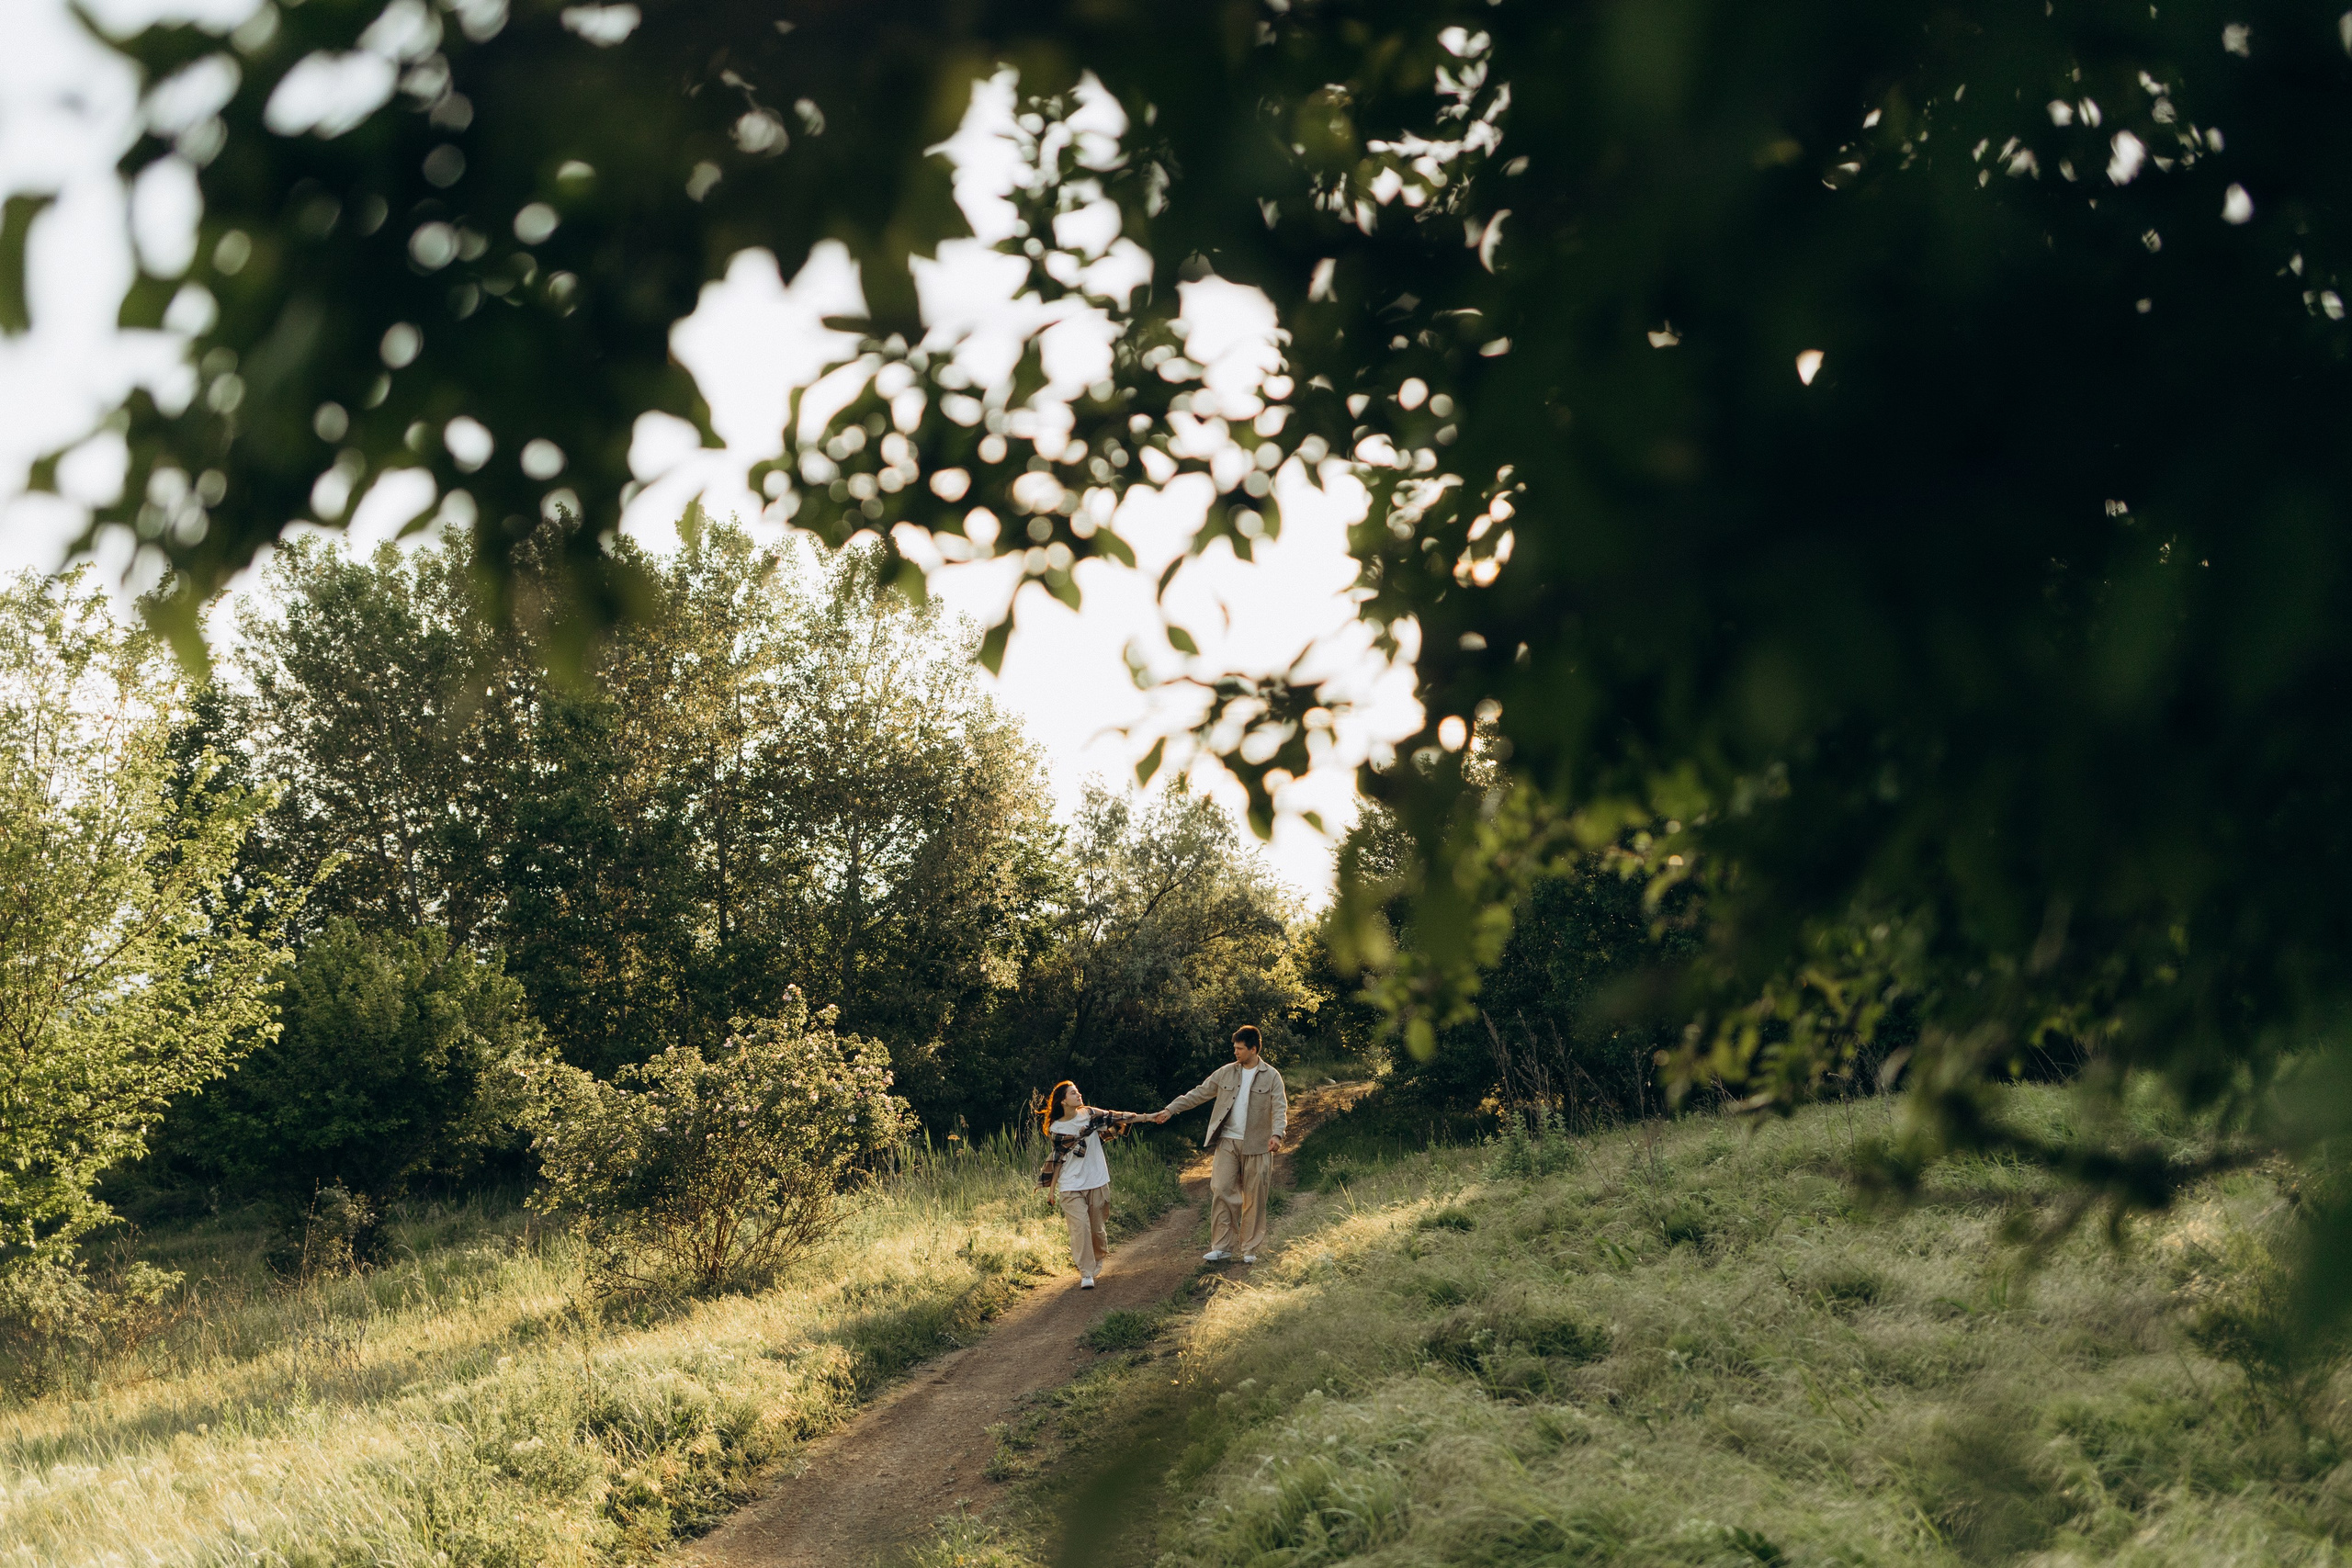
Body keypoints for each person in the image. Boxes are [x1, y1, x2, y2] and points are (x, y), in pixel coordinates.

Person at [1153, 1025, 1286, 1264]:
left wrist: (1277, 1135)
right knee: (1222, 1190)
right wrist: (1171, 1109)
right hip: (1227, 1141)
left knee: (1255, 1197)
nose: (1235, 1052)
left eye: (1239, 1048)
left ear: (1253, 1049)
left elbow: (1280, 1108)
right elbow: (1199, 1093)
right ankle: (1222, 1247)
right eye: (1234, 1048)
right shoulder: (1225, 1072)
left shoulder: (1272, 1076)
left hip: (1258, 1145)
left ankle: (1250, 1249)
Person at [1043, 1080, 1137, 1289]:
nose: (1078, 1095)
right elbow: (1058, 1159)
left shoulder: (1091, 1116)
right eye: (1073, 1093)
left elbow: (1118, 1116)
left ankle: (1097, 1257)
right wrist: (1051, 1191)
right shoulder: (1056, 1128)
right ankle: (1086, 1272)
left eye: (1078, 1092)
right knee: (1081, 1228)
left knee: (1096, 1229)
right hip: (1070, 1185)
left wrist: (1150, 1117)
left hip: (1096, 1180)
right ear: (1063, 1101)